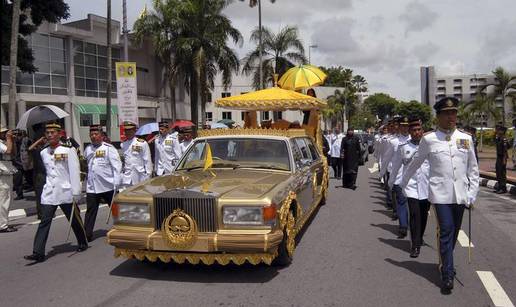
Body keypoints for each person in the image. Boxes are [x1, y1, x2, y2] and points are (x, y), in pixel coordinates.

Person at [401, 97, 479, 294]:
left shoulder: (466, 138)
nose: (451, 117)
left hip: (460, 194)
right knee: (446, 229)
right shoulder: (429, 139)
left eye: (453, 113)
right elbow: (416, 163)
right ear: (438, 117)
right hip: (440, 194)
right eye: (446, 113)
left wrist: (472, 193)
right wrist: (402, 183)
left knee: (453, 232)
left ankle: (446, 260)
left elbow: (473, 170)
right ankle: (447, 272)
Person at [24, 123, 88, 262]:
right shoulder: (43, 152)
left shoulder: (68, 150)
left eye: (53, 132)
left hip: (65, 191)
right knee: (44, 221)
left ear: (59, 134)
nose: (50, 135)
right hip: (50, 192)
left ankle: (82, 241)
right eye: (47, 133)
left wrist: (76, 191)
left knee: (74, 220)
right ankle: (38, 252)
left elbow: (74, 171)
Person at [396, 117, 430, 258]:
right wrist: (394, 182)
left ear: (422, 131)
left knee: (423, 215)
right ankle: (415, 245)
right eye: (414, 130)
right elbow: (397, 165)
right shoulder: (404, 148)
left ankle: (419, 237)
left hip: (426, 187)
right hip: (411, 187)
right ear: (410, 132)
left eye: (419, 130)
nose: (416, 132)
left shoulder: (429, 146)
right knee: (415, 215)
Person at [83, 125, 122, 242]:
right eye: (91, 135)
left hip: (108, 185)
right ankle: (86, 234)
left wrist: (117, 182)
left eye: (96, 134)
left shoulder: (109, 148)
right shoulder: (88, 149)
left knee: (116, 209)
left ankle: (123, 228)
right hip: (93, 186)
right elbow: (87, 165)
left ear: (101, 136)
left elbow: (117, 166)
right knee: (90, 211)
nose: (93, 137)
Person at [387, 116, 411, 237]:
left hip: (413, 179)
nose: (405, 128)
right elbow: (388, 158)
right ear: (399, 127)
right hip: (399, 176)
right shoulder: (394, 142)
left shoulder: (417, 140)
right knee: (402, 202)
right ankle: (403, 226)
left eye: (407, 126)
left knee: (412, 205)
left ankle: (414, 228)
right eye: (403, 126)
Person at [121, 121, 152, 186]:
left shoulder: (142, 143)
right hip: (127, 176)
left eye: (130, 130)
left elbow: (147, 160)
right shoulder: (123, 144)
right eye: (126, 130)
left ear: (134, 131)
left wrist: (148, 175)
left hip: (139, 175)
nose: (127, 132)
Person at [28, 124, 47, 219]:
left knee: (46, 195)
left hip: (45, 174)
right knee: (40, 195)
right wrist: (39, 141)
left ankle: (46, 212)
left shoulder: (46, 149)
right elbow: (29, 148)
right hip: (39, 174)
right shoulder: (36, 149)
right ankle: (41, 214)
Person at [0, 127, 17, 233]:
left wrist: (12, 140)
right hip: (2, 176)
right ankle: (3, 225)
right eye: (3, 132)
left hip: (6, 173)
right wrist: (9, 139)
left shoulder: (4, 142)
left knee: (6, 199)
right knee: (3, 200)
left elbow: (13, 153)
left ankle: (3, 223)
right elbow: (8, 151)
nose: (5, 134)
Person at [494, 125, 509, 194]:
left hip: (503, 157)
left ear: (502, 131)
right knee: (498, 172)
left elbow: (505, 151)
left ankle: (503, 188)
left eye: (498, 130)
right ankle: (499, 187)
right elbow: (494, 139)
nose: (497, 131)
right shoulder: (498, 138)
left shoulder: (504, 139)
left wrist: (504, 160)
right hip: (499, 157)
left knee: (502, 173)